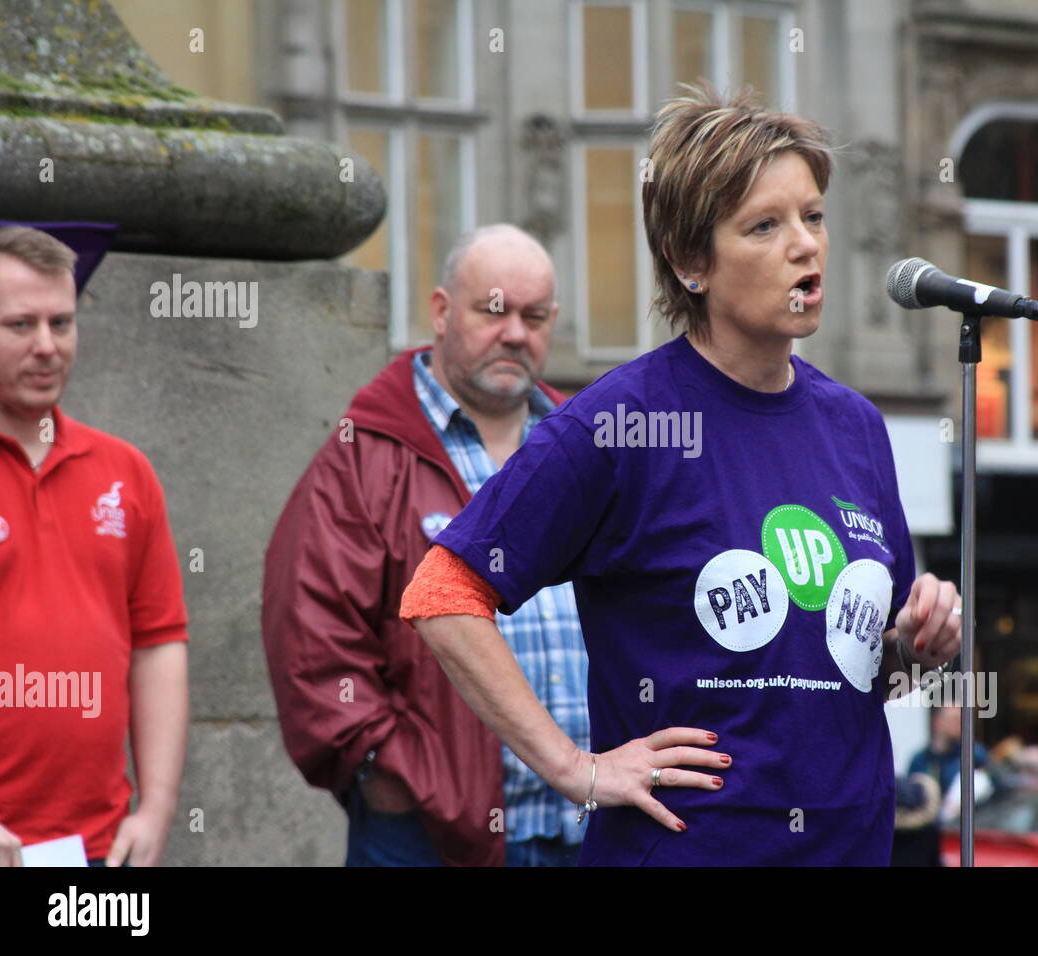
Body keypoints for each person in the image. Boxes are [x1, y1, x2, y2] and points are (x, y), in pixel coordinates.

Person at [398, 85, 963, 866]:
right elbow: (442, 594)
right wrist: (577, 768)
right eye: (765, 225)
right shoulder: (621, 421)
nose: (805, 245)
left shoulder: (857, 428)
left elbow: (868, 676)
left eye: (813, 216)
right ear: (690, 261)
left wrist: (914, 646)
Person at [262, 224, 589, 867]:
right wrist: (392, 771)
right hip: (429, 835)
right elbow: (312, 634)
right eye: (494, 311)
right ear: (441, 312)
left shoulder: (583, 445)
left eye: (535, 316)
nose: (516, 334)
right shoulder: (367, 453)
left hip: (592, 828)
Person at [0, 224, 189, 867]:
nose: (47, 346)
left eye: (62, 322)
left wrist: (158, 807)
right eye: (20, 325)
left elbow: (159, 643)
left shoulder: (125, 471)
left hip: (98, 852)